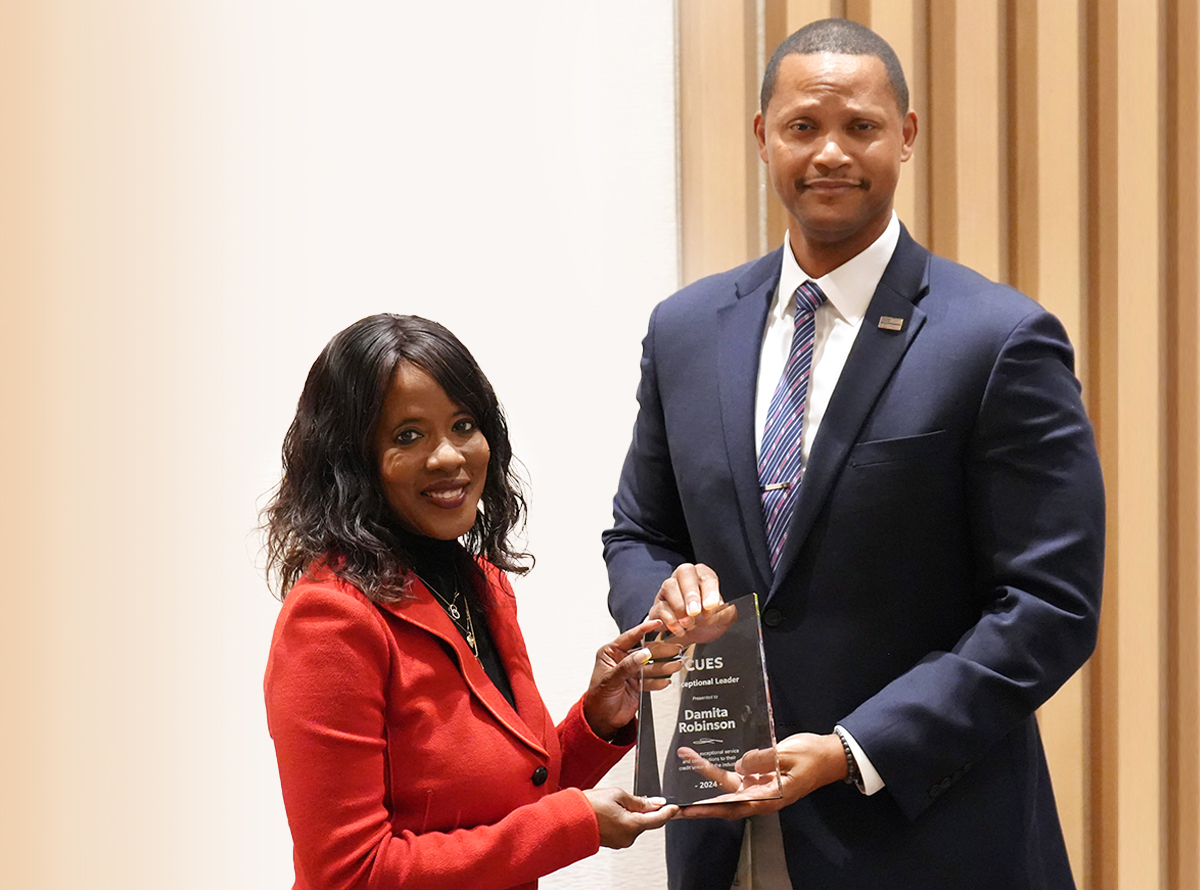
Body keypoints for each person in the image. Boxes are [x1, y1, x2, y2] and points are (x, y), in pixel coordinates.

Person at [604, 17, 1104, 890]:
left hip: (925, 838)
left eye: (860, 127)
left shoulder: (998, 340)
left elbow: (1047, 606)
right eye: (803, 127)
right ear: (762, 136)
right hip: (720, 829)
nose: (830, 152)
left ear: (906, 136)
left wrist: (851, 750)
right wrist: (664, 594)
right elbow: (638, 531)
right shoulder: (682, 331)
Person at [262, 313, 678, 890]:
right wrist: (576, 824)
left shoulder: (482, 583)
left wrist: (598, 721)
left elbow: (513, 794)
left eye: (463, 424)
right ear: (350, 459)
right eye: (408, 436)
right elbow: (352, 874)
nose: (449, 456)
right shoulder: (330, 620)